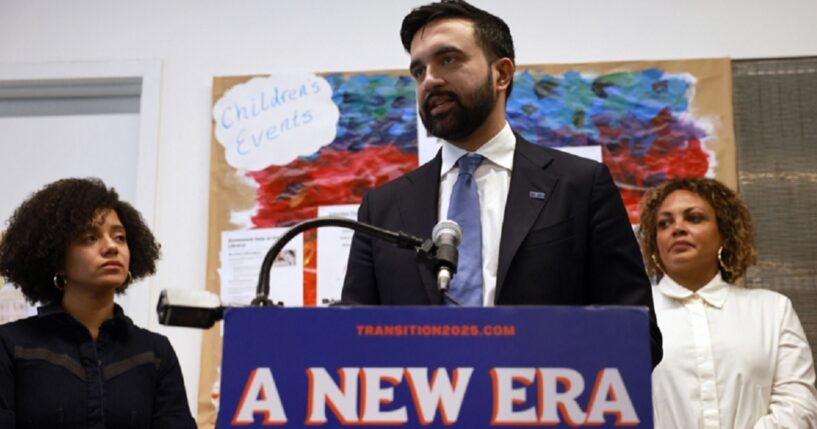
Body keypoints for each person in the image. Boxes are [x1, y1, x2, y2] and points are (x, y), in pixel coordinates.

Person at [342, 0, 662, 367]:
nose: (429, 79)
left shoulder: (580, 185)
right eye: (419, 71)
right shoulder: (382, 207)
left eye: (448, 59)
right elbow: (353, 347)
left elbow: (637, 336)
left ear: (502, 74)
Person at [0, 178, 196, 429]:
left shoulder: (155, 352)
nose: (111, 247)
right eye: (90, 237)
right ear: (57, 259)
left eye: (120, 237)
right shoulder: (11, 346)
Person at [639, 178, 817, 427]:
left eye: (694, 218)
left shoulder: (773, 310)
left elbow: (800, 407)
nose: (677, 228)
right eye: (664, 223)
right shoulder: (636, 316)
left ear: (725, 234)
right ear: (655, 244)